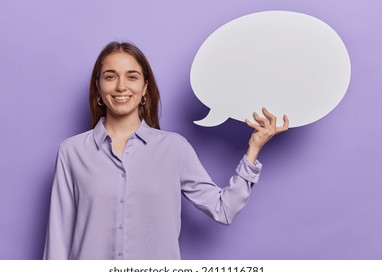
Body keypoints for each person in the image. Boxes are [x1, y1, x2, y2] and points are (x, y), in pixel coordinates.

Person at [43, 41, 289, 260]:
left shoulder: (174, 148)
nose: (121, 86)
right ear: (98, 88)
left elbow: (223, 209)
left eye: (131, 76)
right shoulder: (72, 152)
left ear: (144, 88)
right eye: (110, 76)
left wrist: (253, 149)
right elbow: (58, 237)